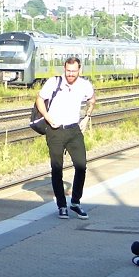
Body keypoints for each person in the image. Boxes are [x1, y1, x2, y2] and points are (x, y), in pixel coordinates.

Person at [35, 56, 96, 219]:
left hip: (74, 130)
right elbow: (40, 99)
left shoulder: (85, 85)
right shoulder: (54, 82)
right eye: (68, 71)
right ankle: (62, 205)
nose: (70, 74)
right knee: (57, 169)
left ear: (79, 70)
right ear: (64, 69)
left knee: (81, 166)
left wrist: (87, 117)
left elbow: (92, 99)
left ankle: (75, 202)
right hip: (55, 130)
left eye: (74, 71)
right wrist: (47, 117)